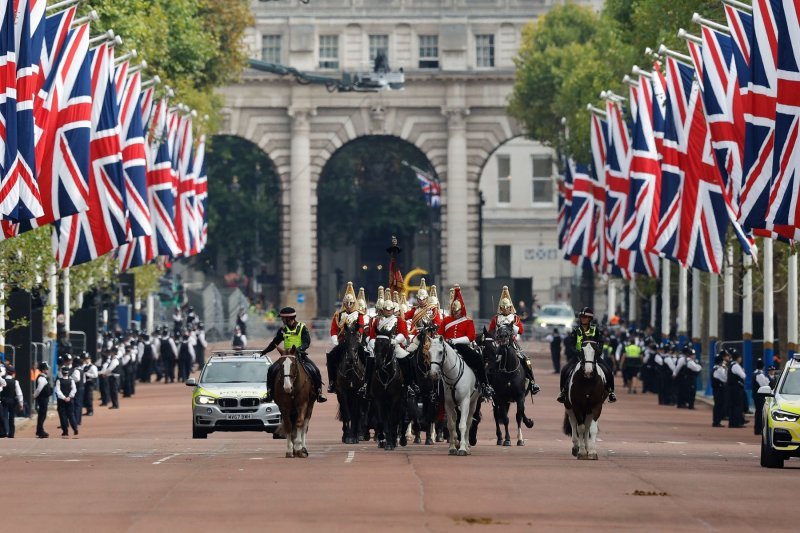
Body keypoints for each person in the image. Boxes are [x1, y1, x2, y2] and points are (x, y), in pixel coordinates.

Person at [439, 285, 494, 400]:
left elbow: (471, 337)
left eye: (457, 311)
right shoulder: (446, 320)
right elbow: (439, 334)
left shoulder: (468, 321)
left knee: (478, 359)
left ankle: (485, 385)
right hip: (446, 346)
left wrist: (456, 340)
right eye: (454, 311)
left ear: (462, 309)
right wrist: (445, 341)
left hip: (462, 347)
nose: (455, 313)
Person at [261, 307, 326, 402]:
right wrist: (265, 351)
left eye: (283, 318)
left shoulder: (302, 328)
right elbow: (275, 342)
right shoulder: (283, 330)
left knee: (315, 370)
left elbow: (306, 342)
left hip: (300, 356)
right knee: (271, 370)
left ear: (288, 318)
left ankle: (319, 392)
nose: (282, 320)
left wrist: (298, 349)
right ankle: (269, 393)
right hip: (285, 356)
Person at [488, 286, 539, 396]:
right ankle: (488, 385)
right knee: (491, 362)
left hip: (512, 344)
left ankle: (533, 383)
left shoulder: (515, 318)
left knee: (526, 360)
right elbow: (490, 331)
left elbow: (521, 330)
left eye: (507, 308)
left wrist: (511, 327)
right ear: (501, 308)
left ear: (510, 307)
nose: (505, 309)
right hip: (499, 344)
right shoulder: (496, 318)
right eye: (503, 308)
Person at [557, 307, 616, 403]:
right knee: (564, 370)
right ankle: (563, 392)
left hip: (593, 357)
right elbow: (571, 344)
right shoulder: (576, 330)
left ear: (590, 319)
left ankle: (610, 392)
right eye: (582, 317)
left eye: (585, 317)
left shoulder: (595, 330)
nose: (583, 319)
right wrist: (576, 351)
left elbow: (600, 342)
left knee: (608, 370)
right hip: (578, 356)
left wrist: (598, 351)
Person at [326, 282, 366, 393]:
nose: (348, 305)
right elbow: (334, 329)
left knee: (366, 356)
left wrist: (358, 335)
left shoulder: (359, 314)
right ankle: (332, 382)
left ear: (354, 303)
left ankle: (366, 382)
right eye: (347, 303)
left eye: (351, 303)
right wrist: (335, 339)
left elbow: (361, 327)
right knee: (331, 357)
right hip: (343, 342)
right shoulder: (338, 315)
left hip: (355, 342)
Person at [55, 365, 79, 437]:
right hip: (70, 400)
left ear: (62, 373)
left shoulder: (59, 380)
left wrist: (63, 397)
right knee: (71, 415)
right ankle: (75, 428)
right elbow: (74, 390)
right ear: (68, 373)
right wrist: (69, 397)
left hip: (61, 401)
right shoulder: (71, 380)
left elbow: (57, 391)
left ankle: (65, 431)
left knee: (63, 416)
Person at [0, 366, 23, 438]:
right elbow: (19, 393)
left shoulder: (2, 381)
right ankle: (11, 433)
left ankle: (3, 432)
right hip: (12, 401)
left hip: (3, 400)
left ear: (6, 372)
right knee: (11, 418)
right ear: (13, 373)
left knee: (4, 416)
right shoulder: (15, 382)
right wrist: (21, 403)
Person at [727, 349, 747, 428]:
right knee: (737, 405)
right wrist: (742, 371)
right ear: (738, 358)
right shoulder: (736, 366)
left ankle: (732, 423)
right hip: (736, 388)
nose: (741, 359)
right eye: (740, 357)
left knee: (732, 406)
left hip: (731, 388)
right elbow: (743, 376)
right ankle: (736, 423)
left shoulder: (731, 364)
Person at [752, 359, 772, 435]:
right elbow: (765, 384)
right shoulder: (760, 374)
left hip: (756, 396)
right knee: (760, 413)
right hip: (759, 396)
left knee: (758, 412)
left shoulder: (755, 373)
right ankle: (758, 429)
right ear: (763, 366)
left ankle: (758, 429)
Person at [33, 362, 52, 438]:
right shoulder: (41, 378)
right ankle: (40, 431)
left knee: (42, 415)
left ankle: (39, 430)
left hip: (43, 398)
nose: (47, 370)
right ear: (44, 370)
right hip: (42, 399)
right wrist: (34, 395)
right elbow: (39, 389)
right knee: (42, 415)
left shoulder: (43, 377)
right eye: (46, 369)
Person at [711, 352, 728, 427]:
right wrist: (726, 368)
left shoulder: (715, 368)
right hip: (719, 389)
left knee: (718, 405)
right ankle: (716, 422)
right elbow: (725, 379)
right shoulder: (719, 369)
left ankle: (717, 421)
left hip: (716, 389)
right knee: (719, 405)